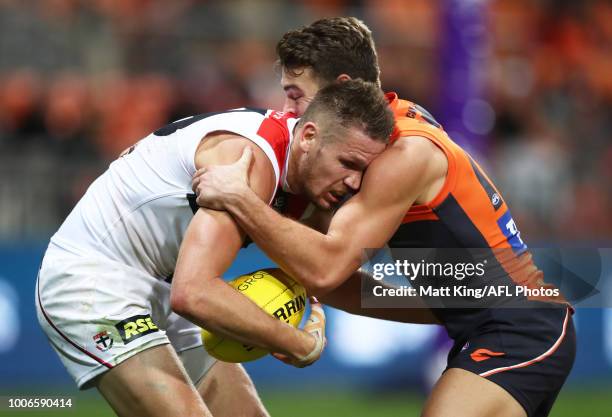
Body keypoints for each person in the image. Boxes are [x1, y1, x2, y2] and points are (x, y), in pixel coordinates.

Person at [191, 17, 576, 417]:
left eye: (295, 96)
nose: (286, 113)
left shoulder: (404, 154)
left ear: (340, 88)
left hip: (521, 326)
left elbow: (325, 268)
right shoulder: (384, 135)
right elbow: (333, 277)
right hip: (491, 325)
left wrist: (240, 198)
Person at [35, 79, 395, 417]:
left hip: (165, 281)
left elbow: (325, 274)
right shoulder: (249, 161)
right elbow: (193, 294)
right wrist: (298, 343)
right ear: (309, 137)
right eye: (348, 163)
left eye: (363, 171)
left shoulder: (309, 178)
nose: (353, 182)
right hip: (94, 279)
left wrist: (440, 308)